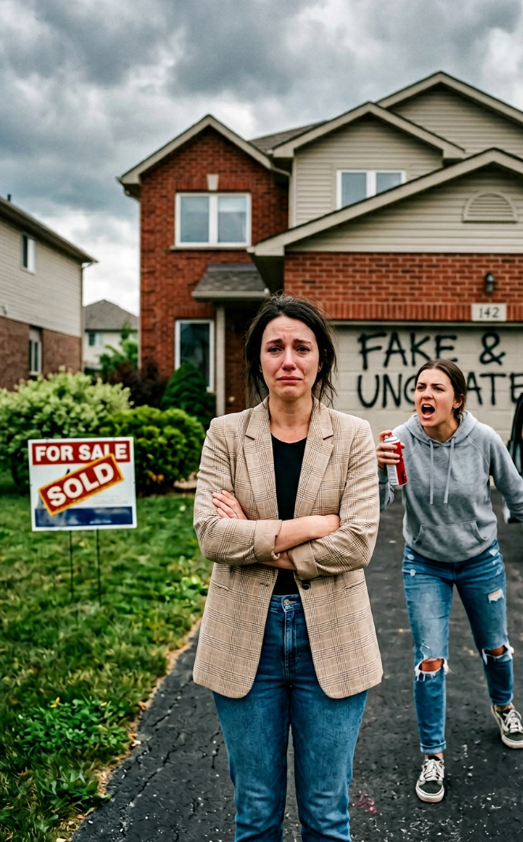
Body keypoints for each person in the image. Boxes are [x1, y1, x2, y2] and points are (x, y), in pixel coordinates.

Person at [193, 294, 382, 842]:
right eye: (275, 348)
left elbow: (358, 542)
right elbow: (211, 534)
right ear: (258, 359)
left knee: (327, 815)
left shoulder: (353, 435)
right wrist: (314, 524)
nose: (289, 360)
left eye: (302, 347)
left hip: (334, 634)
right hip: (244, 637)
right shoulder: (226, 434)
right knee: (255, 814)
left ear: (321, 357)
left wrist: (257, 540)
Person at [377, 359, 523, 804]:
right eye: (420, 386)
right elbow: (380, 503)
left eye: (437, 388)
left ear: (457, 400)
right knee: (429, 660)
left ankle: (504, 706)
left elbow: (516, 491)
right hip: (424, 563)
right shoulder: (400, 440)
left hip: (480, 559)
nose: (426, 394)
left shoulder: (483, 439)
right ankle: (433, 756)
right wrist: (380, 471)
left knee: (495, 646)